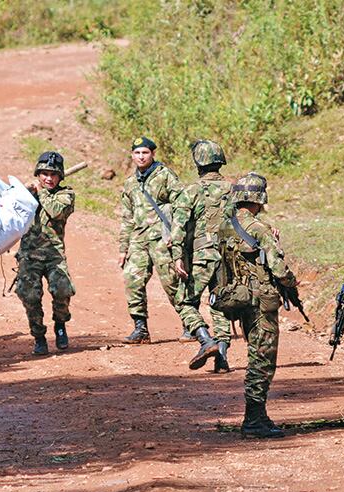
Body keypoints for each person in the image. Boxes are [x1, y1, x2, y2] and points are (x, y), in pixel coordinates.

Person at [219, 173, 298, 438]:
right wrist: (292, 283)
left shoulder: (225, 226)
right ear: (259, 199)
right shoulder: (260, 229)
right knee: (262, 359)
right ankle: (253, 419)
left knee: (255, 354)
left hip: (240, 298)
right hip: (261, 301)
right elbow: (279, 269)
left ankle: (260, 416)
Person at [117, 136, 189, 344]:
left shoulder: (164, 175)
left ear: (152, 154)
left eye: (145, 152)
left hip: (162, 239)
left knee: (171, 283)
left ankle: (190, 324)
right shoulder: (130, 183)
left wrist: (175, 236)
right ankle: (140, 328)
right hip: (139, 239)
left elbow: (181, 205)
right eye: (137, 153)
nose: (141, 156)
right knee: (133, 280)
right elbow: (127, 218)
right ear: (132, 155)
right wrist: (123, 248)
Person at [171, 139, 233, 372]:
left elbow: (178, 226)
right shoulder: (233, 190)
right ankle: (222, 358)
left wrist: (177, 255)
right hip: (228, 257)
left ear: (198, 163)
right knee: (221, 304)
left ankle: (205, 340)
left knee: (185, 301)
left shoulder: (191, 191)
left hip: (203, 255)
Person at [15, 151, 76, 355]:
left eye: (53, 174)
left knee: (62, 290)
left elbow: (55, 211)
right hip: (29, 255)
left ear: (60, 177)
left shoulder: (65, 195)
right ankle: (39, 336)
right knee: (29, 295)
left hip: (53, 255)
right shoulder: (27, 195)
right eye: (44, 174)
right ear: (38, 174)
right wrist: (21, 193)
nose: (48, 178)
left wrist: (40, 192)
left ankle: (60, 324)